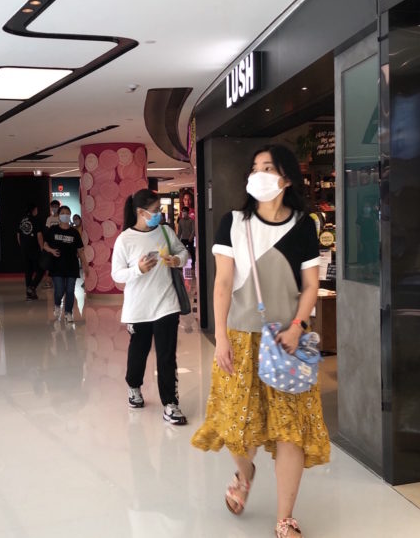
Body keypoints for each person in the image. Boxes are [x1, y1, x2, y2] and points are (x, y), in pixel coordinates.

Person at [190, 145, 328, 538]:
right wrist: (219, 337)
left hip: (288, 343)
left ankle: (284, 518)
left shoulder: (305, 225)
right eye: (254, 167)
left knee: (291, 431)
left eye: (268, 167)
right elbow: (220, 284)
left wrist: (299, 325)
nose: (258, 173)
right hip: (239, 338)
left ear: (286, 178)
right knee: (235, 425)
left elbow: (311, 284)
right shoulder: (232, 223)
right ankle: (245, 471)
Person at [111, 189, 190, 426]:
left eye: (160, 211)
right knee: (139, 353)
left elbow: (183, 252)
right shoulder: (125, 239)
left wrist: (177, 260)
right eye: (155, 211)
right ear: (140, 212)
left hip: (166, 304)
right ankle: (134, 387)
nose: (159, 215)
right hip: (138, 308)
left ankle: (170, 404)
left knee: (167, 356)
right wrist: (138, 270)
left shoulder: (165, 231)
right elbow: (117, 274)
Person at [42, 205, 86, 323]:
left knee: (70, 290)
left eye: (67, 213)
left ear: (70, 215)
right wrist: (51, 250)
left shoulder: (74, 232)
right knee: (59, 290)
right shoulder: (53, 230)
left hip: (71, 266)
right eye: (63, 213)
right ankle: (57, 305)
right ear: (59, 216)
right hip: (57, 266)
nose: (65, 215)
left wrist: (85, 266)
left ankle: (68, 313)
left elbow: (80, 250)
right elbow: (45, 245)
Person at [17, 204, 45, 301]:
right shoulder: (35, 220)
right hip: (35, 249)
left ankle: (29, 294)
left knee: (28, 271)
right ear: (33, 210)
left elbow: (18, 235)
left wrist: (23, 247)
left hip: (25, 249)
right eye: (36, 209)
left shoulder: (22, 220)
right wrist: (42, 249)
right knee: (41, 269)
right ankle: (32, 287)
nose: (37, 210)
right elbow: (39, 235)